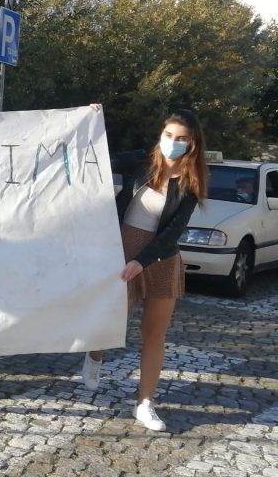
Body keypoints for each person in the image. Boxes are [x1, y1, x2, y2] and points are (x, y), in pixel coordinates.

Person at [81, 108, 207, 432]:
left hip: (162, 258)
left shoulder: (192, 182)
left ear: (192, 143)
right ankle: (94, 357)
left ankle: (145, 402)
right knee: (113, 321)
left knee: (154, 334)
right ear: (161, 135)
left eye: (181, 139)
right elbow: (96, 161)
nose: (173, 143)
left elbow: (173, 232)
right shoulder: (141, 162)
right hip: (123, 247)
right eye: (169, 136)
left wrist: (142, 261)